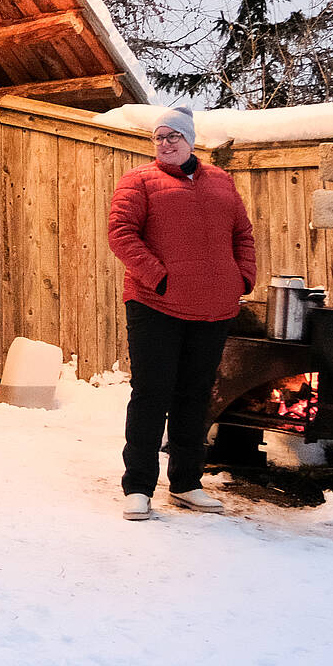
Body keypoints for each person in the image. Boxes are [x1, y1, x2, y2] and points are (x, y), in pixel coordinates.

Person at [107, 106, 256, 521]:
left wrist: (242, 278)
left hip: (214, 308)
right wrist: (160, 278)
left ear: (190, 140)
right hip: (155, 304)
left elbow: (242, 234)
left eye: (174, 136)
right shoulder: (138, 180)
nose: (166, 143)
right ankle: (138, 486)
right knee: (152, 394)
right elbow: (121, 234)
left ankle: (187, 483)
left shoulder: (222, 182)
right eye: (159, 137)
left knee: (195, 396)